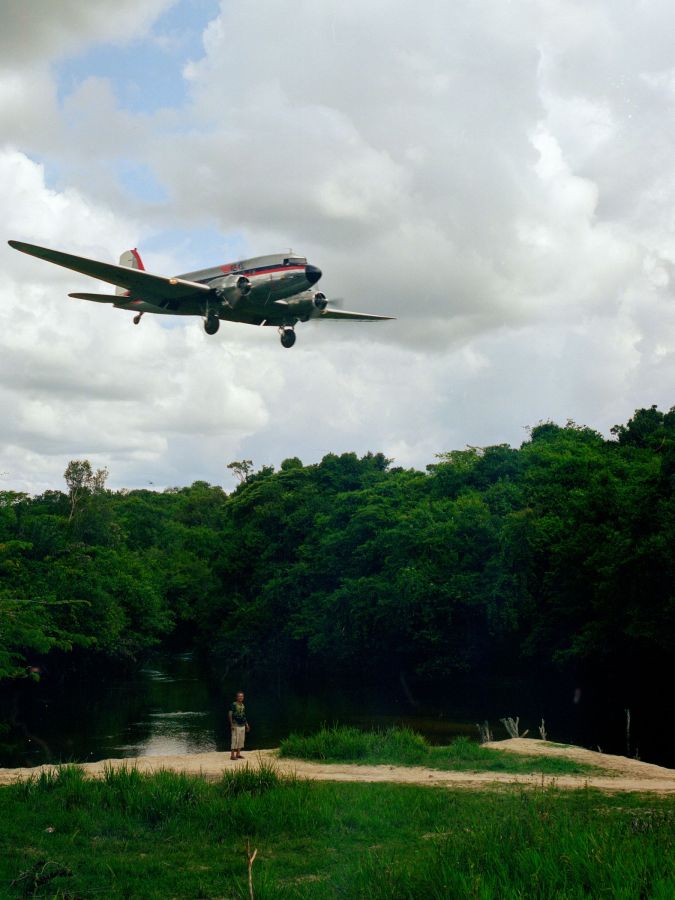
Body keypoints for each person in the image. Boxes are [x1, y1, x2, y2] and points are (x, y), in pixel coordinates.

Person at [228, 691, 250, 760]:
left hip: (242, 725)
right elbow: (230, 714)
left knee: (241, 740)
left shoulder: (243, 705)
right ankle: (232, 755)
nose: (241, 697)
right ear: (237, 697)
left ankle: (238, 754)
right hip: (235, 724)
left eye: (242, 696)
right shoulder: (234, 704)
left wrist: (247, 725)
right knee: (234, 739)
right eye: (239, 696)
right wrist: (231, 724)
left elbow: (243, 715)